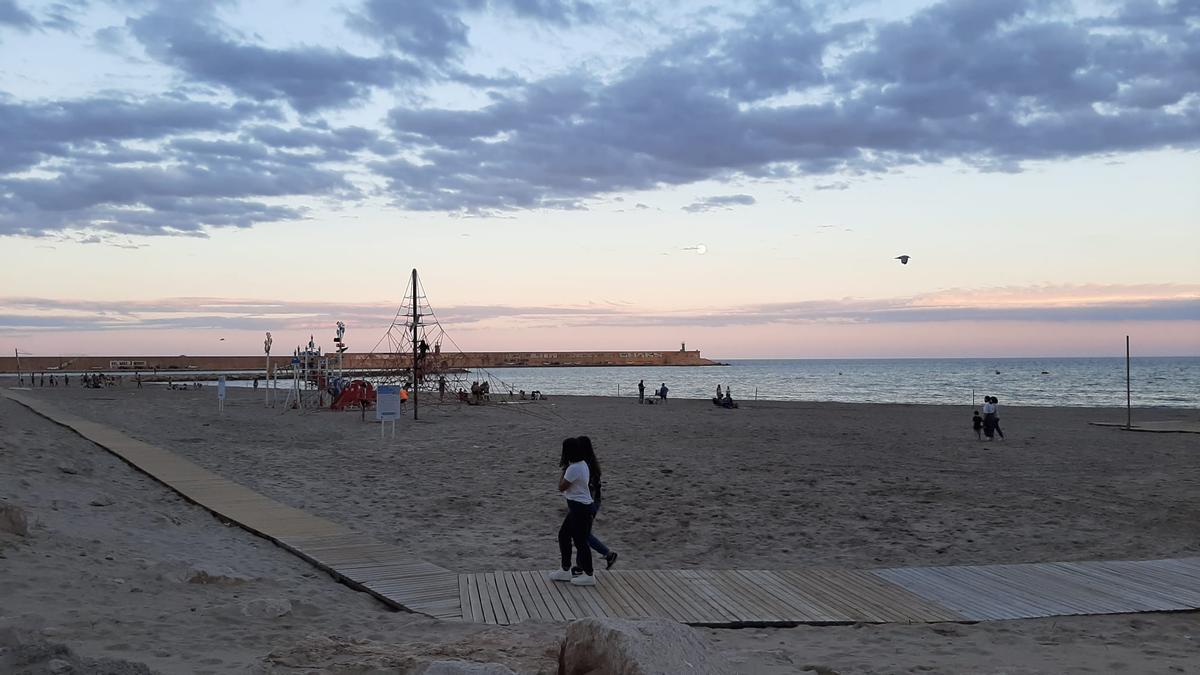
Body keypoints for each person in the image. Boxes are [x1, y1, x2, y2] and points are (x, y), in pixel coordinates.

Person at [550, 437, 597, 586]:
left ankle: (589, 574)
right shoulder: (582, 464)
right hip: (580, 507)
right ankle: (565, 569)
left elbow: (561, 487)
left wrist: (564, 469)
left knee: (580, 540)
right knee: (564, 535)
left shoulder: (573, 468)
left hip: (580, 508)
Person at [575, 436, 619, 571]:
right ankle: (581, 565)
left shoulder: (586, 465)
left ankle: (607, 554)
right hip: (593, 501)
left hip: (590, 503)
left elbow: (590, 488)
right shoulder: (591, 462)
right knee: (582, 534)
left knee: (583, 534)